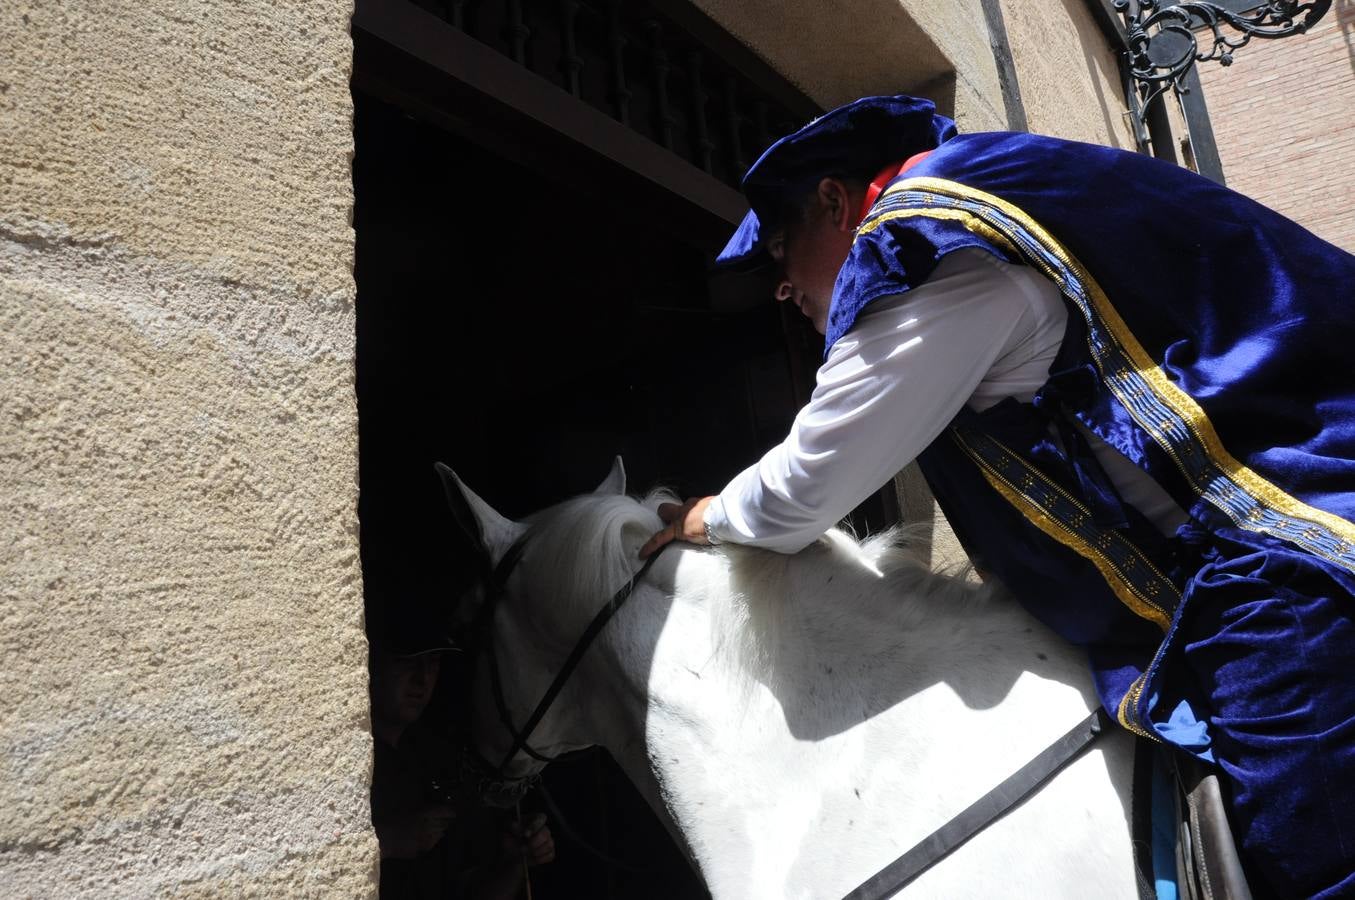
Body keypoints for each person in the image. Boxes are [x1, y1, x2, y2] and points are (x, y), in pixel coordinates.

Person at [639, 94, 1355, 898]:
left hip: (1294, 541)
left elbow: (807, 486)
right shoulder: (991, 197)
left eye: (779, 250)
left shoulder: (921, 245)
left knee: (1306, 836)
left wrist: (712, 515)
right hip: (1261, 536)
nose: (781, 289)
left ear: (835, 203)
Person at [369, 631, 555, 898]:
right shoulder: (340, 758)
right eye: (406, 663)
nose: (422, 680)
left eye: (433, 663)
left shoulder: (440, 760)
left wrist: (516, 861)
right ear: (371, 664)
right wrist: (386, 842)